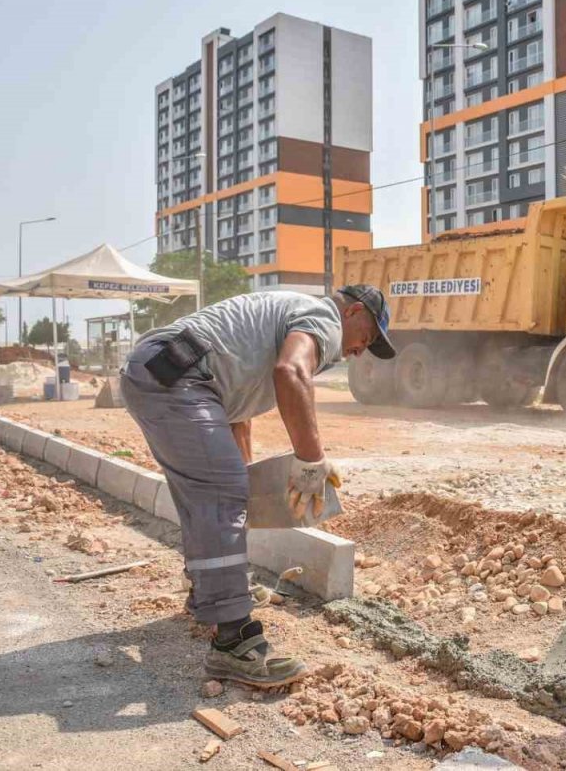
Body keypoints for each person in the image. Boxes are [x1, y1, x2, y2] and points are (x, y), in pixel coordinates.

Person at [121, 285, 395, 687]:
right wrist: (311, 462)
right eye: (365, 338)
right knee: (218, 495)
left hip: (160, 370)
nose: (358, 351)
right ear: (352, 312)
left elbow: (236, 412)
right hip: (180, 377)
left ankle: (210, 597)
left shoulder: (278, 316)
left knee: (211, 497)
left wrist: (241, 487)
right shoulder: (322, 317)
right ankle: (233, 643)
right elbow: (292, 372)